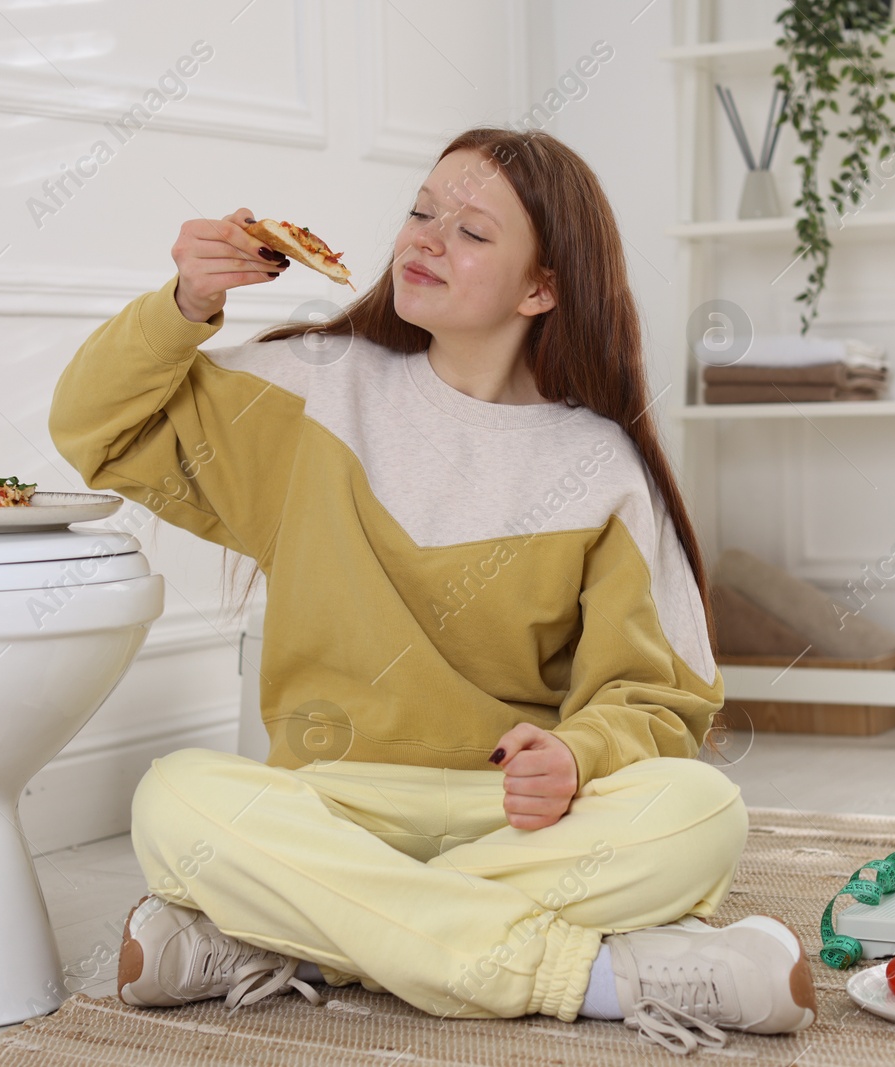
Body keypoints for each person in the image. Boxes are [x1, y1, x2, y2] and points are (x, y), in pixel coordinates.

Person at [47, 126, 817, 1056]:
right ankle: (603, 978)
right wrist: (185, 302)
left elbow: (658, 700)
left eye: (471, 231)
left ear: (543, 288)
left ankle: (308, 944)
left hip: (521, 820)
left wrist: (575, 754)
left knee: (701, 814)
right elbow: (96, 428)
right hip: (336, 804)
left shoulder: (599, 466)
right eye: (420, 212)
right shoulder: (313, 390)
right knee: (176, 797)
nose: (423, 239)